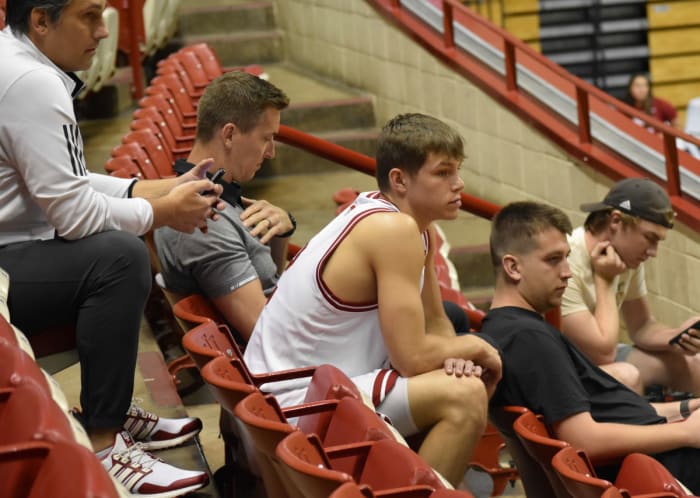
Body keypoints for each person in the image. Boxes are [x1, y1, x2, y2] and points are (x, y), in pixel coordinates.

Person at [0, 0, 224, 494]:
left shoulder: (21, 63)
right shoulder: (30, 83)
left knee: (116, 244)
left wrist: (156, 188)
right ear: (40, 19)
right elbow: (76, 217)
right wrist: (163, 212)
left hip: (14, 251)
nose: (104, 33)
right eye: (88, 16)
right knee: (118, 258)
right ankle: (103, 440)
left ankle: (112, 412)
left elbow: (71, 183)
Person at [244, 113, 502, 487]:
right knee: (465, 398)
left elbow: (436, 322)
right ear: (399, 180)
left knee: (457, 380)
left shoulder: (412, 225)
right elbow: (411, 358)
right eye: (443, 172)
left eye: (457, 171)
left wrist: (456, 356)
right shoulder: (391, 228)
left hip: (309, 390)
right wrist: (478, 348)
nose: (459, 184)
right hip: (293, 404)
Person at [481, 200, 700, 492]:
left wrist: (686, 408)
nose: (567, 272)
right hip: (664, 469)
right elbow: (584, 439)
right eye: (553, 259)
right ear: (513, 266)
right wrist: (685, 432)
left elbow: (609, 412)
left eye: (567, 258)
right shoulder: (530, 339)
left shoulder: (508, 329)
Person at [154, 71, 295, 343]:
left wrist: (281, 230)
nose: (270, 152)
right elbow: (269, 339)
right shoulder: (203, 220)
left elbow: (269, 281)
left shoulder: (217, 199)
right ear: (229, 134)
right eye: (266, 138)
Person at [559, 178, 700, 395]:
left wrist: (676, 337)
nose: (653, 252)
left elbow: (642, 326)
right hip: (562, 368)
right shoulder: (567, 260)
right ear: (616, 221)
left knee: (694, 362)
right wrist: (605, 281)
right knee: (626, 376)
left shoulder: (625, 256)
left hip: (599, 358)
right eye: (650, 238)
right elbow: (601, 355)